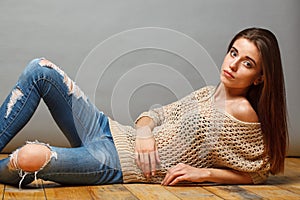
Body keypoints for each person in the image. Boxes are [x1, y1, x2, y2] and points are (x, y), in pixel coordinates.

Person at [0, 27, 288, 188]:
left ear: (260, 77)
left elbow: (258, 171)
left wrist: (205, 174)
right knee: (41, 70)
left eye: (247, 63)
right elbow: (155, 114)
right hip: (108, 130)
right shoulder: (206, 94)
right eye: (233, 53)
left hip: (115, 164)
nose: (233, 64)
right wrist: (145, 132)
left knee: (28, 157)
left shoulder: (241, 112)